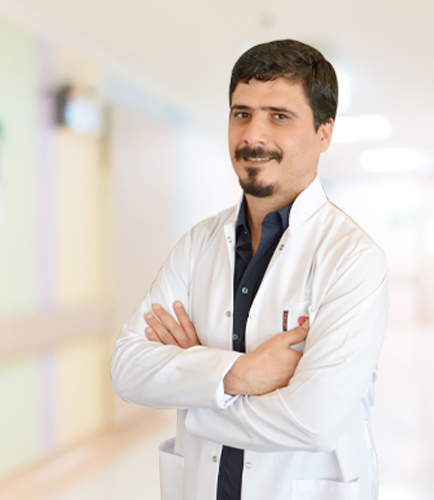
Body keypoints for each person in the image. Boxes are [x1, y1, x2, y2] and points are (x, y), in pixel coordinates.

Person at [111, 39, 388, 500]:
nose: (253, 136)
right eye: (242, 114)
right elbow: (127, 368)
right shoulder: (198, 244)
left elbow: (312, 422)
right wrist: (238, 374)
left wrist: (194, 391)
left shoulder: (353, 258)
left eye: (279, 116)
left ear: (324, 132)